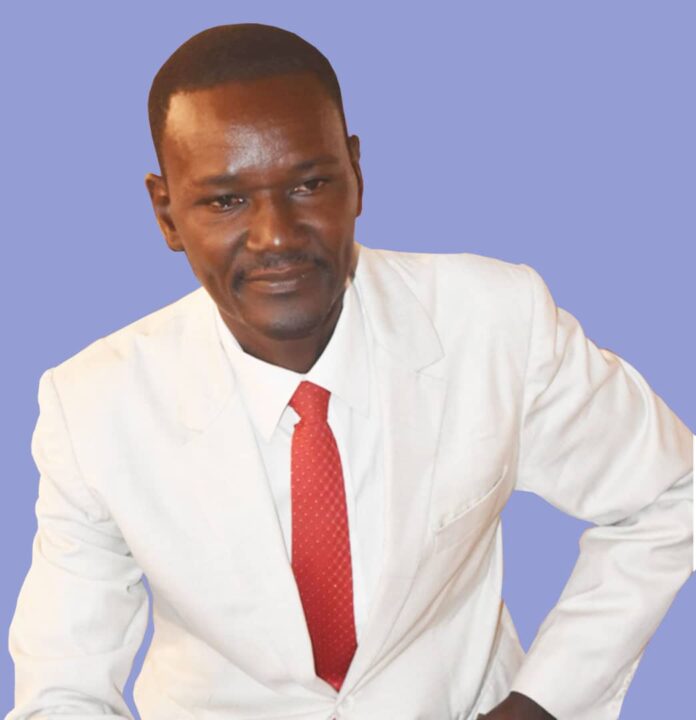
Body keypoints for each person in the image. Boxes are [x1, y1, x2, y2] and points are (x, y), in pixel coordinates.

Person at [5, 22, 693, 720]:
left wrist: (540, 706)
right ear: (167, 214)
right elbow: (63, 686)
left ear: (356, 176)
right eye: (225, 200)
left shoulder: (495, 323)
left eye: (309, 184)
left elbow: (672, 492)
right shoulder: (93, 405)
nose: (276, 236)